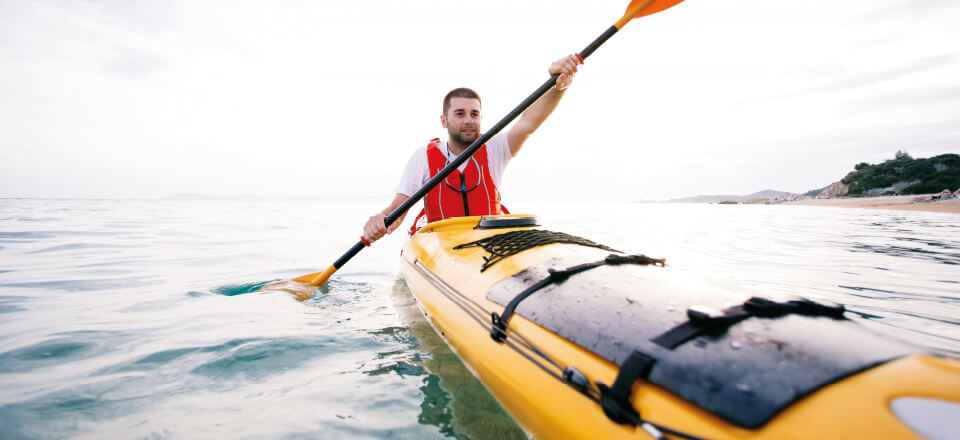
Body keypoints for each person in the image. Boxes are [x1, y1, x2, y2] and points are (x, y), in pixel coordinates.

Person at [362, 54, 582, 244]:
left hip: (490, 240)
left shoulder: (495, 148)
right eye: (460, 114)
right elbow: (398, 209)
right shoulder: (422, 158)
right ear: (444, 120)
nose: (469, 120)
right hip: (442, 246)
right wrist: (379, 219)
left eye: (474, 114)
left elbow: (528, 123)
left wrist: (557, 87)